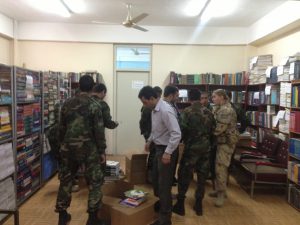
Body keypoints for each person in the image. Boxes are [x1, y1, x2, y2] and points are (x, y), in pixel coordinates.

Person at [55, 75, 106, 225]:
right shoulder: (95, 105)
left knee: (66, 181)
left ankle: (62, 215)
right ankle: (92, 218)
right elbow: (99, 131)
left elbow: (61, 128)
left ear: (79, 86)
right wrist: (102, 150)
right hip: (88, 149)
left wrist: (61, 146)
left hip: (68, 148)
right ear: (93, 87)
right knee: (95, 182)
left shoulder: (66, 104)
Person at [138, 86, 181, 225]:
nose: (144, 105)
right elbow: (156, 129)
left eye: (145, 102)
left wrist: (168, 153)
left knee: (164, 185)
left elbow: (176, 133)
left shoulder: (165, 110)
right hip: (158, 148)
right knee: (156, 180)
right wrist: (149, 140)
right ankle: (162, 204)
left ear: (152, 98)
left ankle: (165, 219)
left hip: (166, 150)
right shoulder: (154, 109)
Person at [172, 89, 216, 216]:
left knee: (184, 175)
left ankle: (180, 204)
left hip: (191, 149)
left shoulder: (187, 112)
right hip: (206, 149)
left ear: (190, 98)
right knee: (202, 177)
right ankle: (198, 204)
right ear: (200, 98)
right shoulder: (209, 112)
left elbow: (181, 130)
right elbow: (214, 131)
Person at [209, 89, 239, 207]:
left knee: (221, 168)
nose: (213, 99)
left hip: (226, 143)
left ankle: (221, 194)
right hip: (220, 142)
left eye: (214, 96)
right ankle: (219, 189)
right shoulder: (218, 108)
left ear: (222, 97)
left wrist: (204, 133)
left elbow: (218, 129)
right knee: (217, 167)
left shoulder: (226, 110)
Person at [139, 86, 162, 184]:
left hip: (153, 134)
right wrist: (146, 135)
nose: (159, 98)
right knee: (152, 156)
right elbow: (143, 122)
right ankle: (149, 177)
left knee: (154, 155)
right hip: (149, 134)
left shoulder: (159, 108)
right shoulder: (147, 108)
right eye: (158, 95)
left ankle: (152, 176)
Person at [163, 85, 180, 186]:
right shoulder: (166, 108)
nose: (178, 97)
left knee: (172, 166)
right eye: (176, 95)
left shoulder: (173, 105)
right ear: (171, 95)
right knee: (168, 169)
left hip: (173, 141)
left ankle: (171, 179)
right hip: (169, 141)